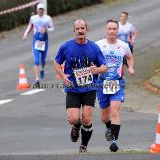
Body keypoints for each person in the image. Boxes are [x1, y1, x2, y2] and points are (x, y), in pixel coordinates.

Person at [54, 19, 107, 153]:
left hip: (89, 88)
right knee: (73, 118)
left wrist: (98, 70)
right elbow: (56, 62)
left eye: (82, 28)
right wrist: (63, 75)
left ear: (86, 30)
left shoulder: (94, 47)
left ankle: (84, 145)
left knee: (87, 119)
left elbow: (104, 66)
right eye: (77, 29)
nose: (80, 31)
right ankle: (76, 126)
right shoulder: (66, 47)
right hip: (72, 88)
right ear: (74, 31)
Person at [95, 19, 135, 152]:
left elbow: (129, 57)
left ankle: (114, 141)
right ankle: (108, 127)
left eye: (114, 29)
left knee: (115, 112)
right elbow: (91, 59)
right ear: (106, 30)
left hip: (117, 82)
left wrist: (130, 67)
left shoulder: (123, 45)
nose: (112, 31)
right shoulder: (98, 45)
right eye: (109, 29)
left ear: (118, 30)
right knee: (104, 117)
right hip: (102, 83)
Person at [22, 2, 54, 87]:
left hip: (44, 41)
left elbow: (52, 28)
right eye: (39, 9)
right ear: (37, 10)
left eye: (42, 10)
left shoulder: (48, 18)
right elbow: (30, 26)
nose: (40, 11)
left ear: (44, 10)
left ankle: (42, 68)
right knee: (36, 60)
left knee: (43, 60)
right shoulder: (33, 18)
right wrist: (25, 34)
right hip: (36, 41)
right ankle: (37, 79)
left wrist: (46, 28)